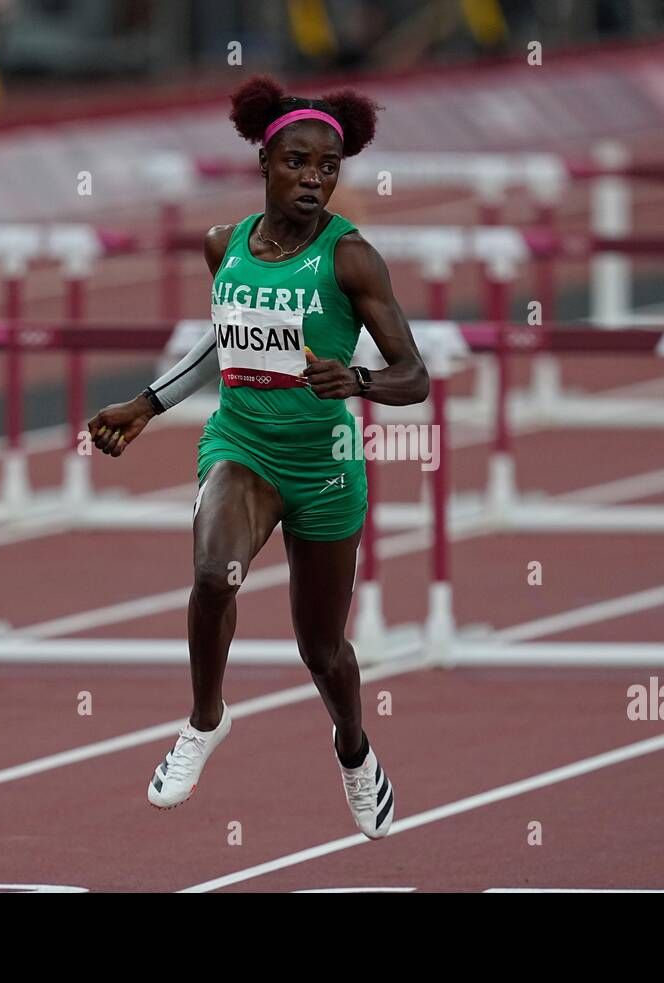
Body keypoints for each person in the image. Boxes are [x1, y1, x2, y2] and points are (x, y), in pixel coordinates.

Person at [87, 75, 429, 840]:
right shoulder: (225, 245)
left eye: (329, 167)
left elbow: (417, 375)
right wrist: (147, 404)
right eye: (299, 162)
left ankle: (352, 746)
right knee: (213, 573)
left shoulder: (353, 260)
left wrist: (362, 379)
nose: (314, 178)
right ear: (265, 162)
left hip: (325, 463)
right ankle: (205, 720)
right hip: (242, 445)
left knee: (323, 648)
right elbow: (224, 337)